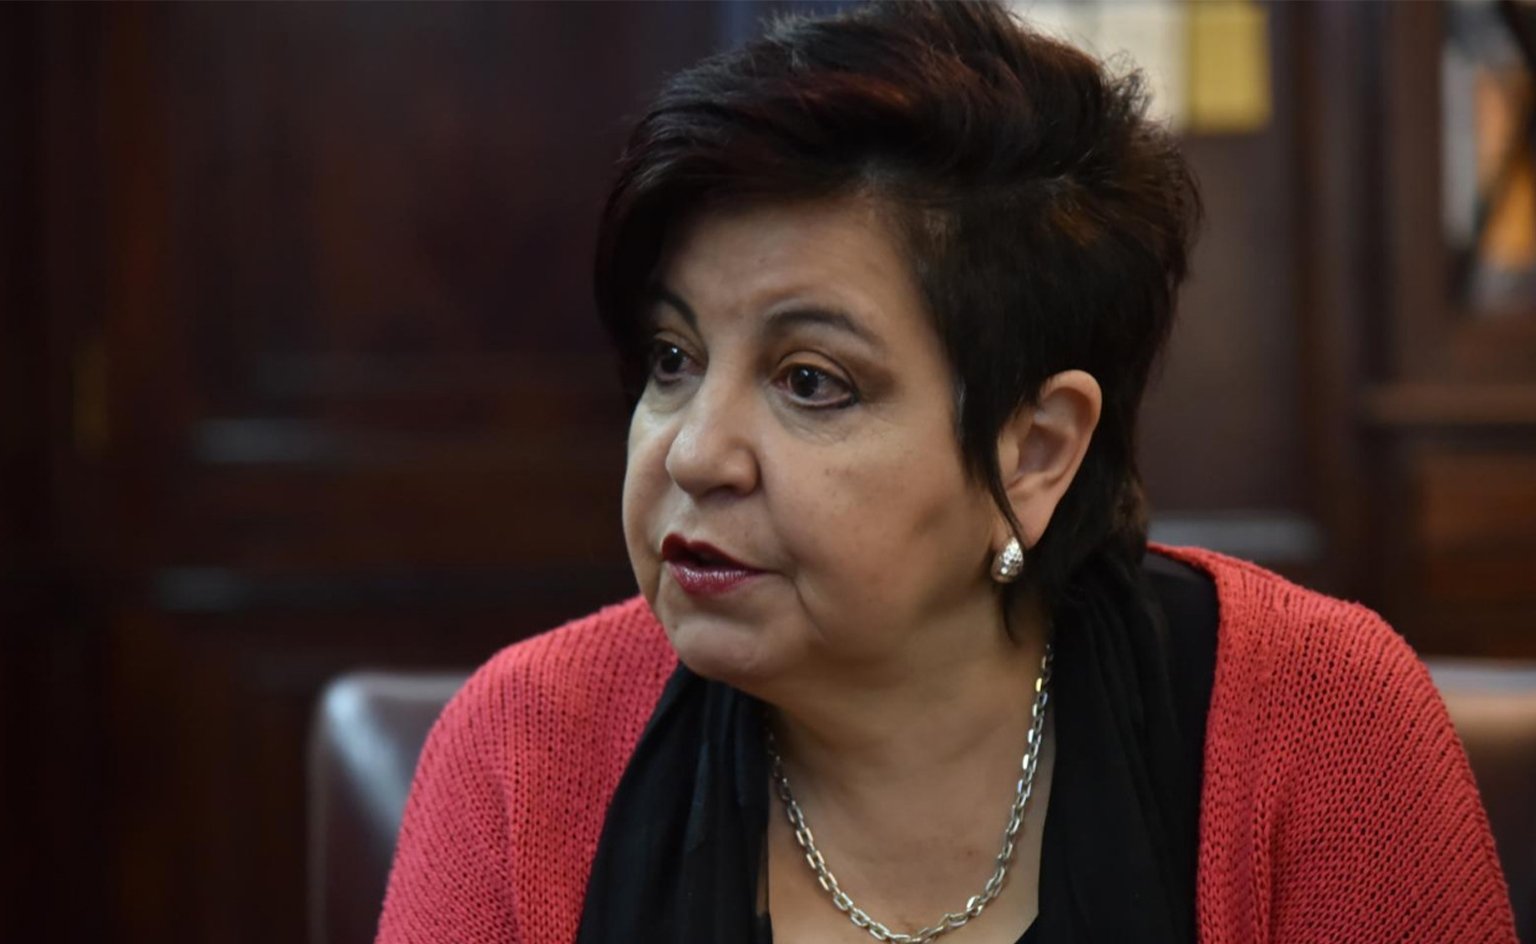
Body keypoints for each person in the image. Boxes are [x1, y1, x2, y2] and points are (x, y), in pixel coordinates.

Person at [375, 3, 1516, 942]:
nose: (693, 451)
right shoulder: (523, 753)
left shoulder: (1319, 725)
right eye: (674, 359)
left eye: (810, 380)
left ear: (1035, 451)